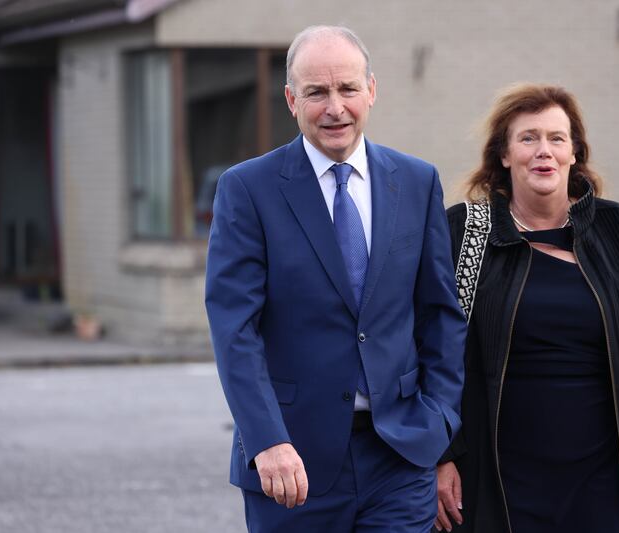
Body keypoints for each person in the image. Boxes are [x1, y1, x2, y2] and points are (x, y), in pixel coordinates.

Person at [205, 25, 466, 532]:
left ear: (371, 89)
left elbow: (440, 315)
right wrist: (267, 440)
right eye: (316, 92)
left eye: (347, 89)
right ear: (290, 99)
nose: (334, 107)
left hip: (399, 455)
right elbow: (234, 329)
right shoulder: (247, 189)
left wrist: (438, 426)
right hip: (291, 463)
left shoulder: (417, 181)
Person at [434, 84, 619, 533]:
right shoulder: (465, 234)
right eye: (527, 138)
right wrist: (442, 456)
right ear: (504, 156)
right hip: (500, 478)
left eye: (556, 138)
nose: (543, 151)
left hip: (610, 476)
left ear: (574, 153)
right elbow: (430, 350)